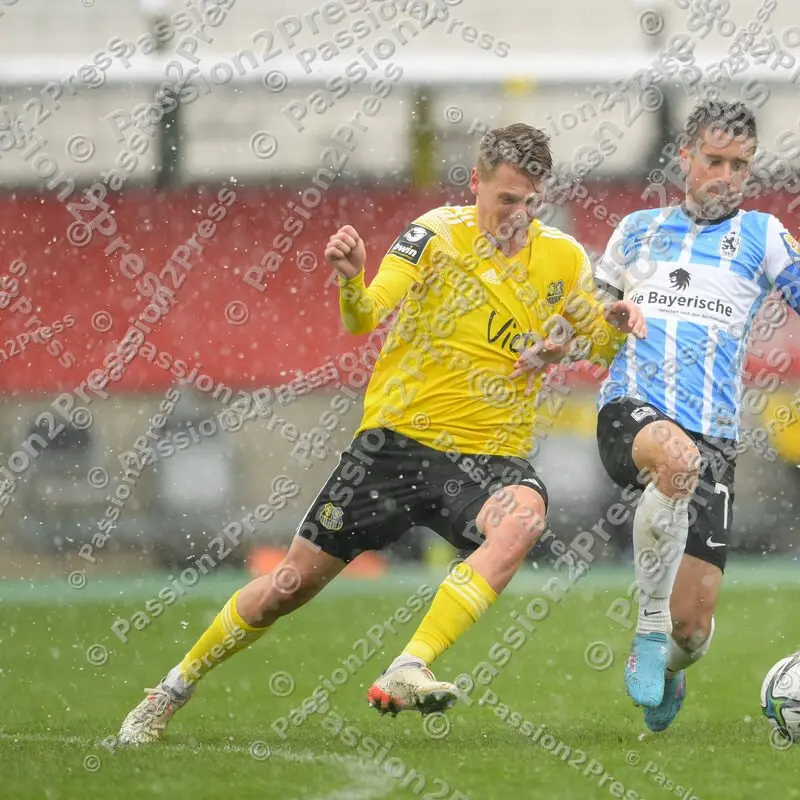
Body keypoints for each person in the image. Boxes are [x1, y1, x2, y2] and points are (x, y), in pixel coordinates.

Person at [117, 123, 647, 746]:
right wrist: (350, 277)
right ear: (475, 183)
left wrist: (615, 317)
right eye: (507, 200)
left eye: (531, 202)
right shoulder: (432, 236)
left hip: (489, 459)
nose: (519, 216)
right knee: (286, 588)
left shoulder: (561, 256)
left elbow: (598, 343)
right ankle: (172, 688)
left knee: (523, 519)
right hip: (395, 448)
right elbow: (362, 316)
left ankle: (409, 663)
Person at [590, 100, 800, 731]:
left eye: (739, 165)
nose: (725, 175)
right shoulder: (635, 230)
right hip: (629, 409)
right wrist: (600, 321)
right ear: (684, 157)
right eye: (714, 160)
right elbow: (583, 322)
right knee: (674, 457)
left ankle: (668, 663)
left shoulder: (763, 235)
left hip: (714, 434)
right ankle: (645, 633)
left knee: (692, 629)